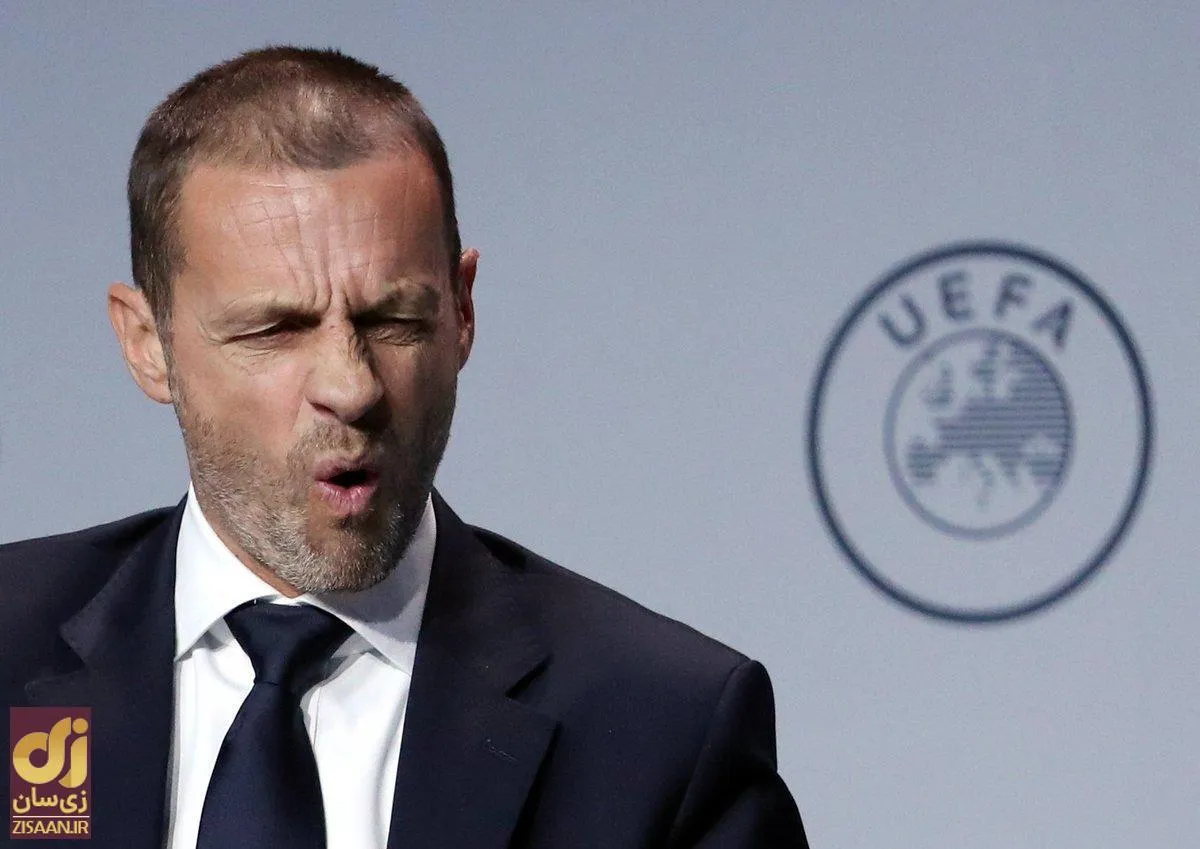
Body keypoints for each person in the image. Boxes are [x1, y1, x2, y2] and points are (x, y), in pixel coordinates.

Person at [1, 46, 808, 848]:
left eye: (394, 320)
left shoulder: (662, 727)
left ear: (462, 311)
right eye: (275, 329)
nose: (352, 387)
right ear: (148, 343)